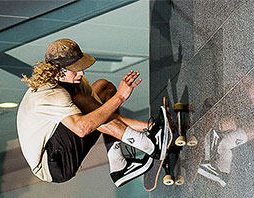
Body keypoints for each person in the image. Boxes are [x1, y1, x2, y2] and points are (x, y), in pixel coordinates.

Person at [17, 38, 166, 187]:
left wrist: (150, 126)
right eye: (75, 69)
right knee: (80, 101)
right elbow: (83, 128)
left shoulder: (76, 83)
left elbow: (103, 116)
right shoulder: (49, 94)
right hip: (53, 164)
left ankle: (118, 166)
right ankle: (150, 145)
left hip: (64, 143)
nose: (81, 73)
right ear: (58, 71)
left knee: (104, 88)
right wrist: (120, 97)